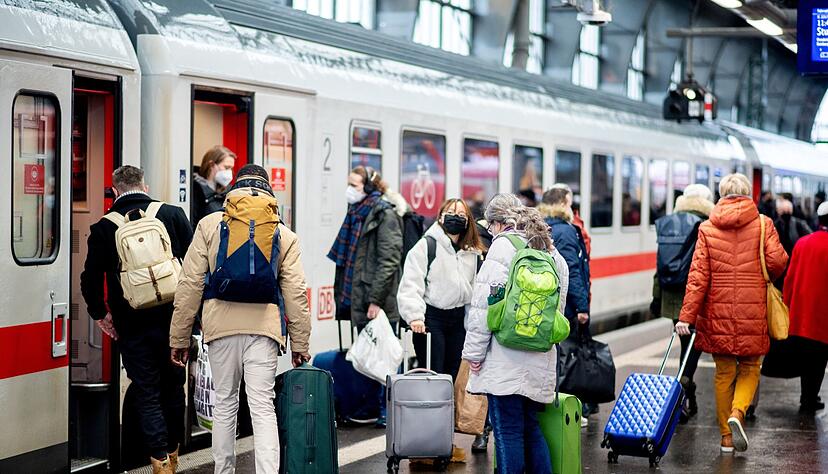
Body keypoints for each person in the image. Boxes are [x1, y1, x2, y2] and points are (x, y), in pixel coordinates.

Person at [170, 165, 311, 474]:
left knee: (225, 404)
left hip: (220, 328)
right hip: (264, 331)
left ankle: (224, 471)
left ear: (234, 190)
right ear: (268, 191)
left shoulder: (209, 225)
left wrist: (179, 339)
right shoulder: (283, 233)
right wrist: (300, 342)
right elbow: (296, 293)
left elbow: (189, 285)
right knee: (262, 407)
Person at [80, 165, 193, 474]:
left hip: (132, 326)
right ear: (145, 185)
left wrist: (101, 316)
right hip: (173, 321)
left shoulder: (105, 226)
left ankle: (159, 463)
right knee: (173, 388)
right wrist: (193, 318)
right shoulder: (171, 214)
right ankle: (173, 453)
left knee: (147, 391)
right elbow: (197, 267)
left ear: (115, 191)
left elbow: (89, 280)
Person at [677, 173, 787, 454]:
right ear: (748, 193)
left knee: (724, 373)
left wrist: (686, 318)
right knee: (751, 367)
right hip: (754, 309)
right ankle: (738, 413)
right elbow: (778, 263)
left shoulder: (707, 228)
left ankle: (726, 438)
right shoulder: (764, 224)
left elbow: (697, 277)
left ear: (721, 194)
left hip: (718, 312)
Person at [463, 193, 569, 473]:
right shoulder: (550, 249)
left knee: (508, 430)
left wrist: (473, 354)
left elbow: (483, 307)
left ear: (498, 223)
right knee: (530, 427)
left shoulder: (502, 247)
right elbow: (558, 307)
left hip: (504, 354)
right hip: (539, 354)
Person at [328, 166, 403, 427]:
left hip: (377, 300)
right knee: (368, 354)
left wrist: (376, 300)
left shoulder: (384, 214)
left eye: (355, 185)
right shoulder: (357, 213)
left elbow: (389, 259)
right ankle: (370, 406)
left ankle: (386, 409)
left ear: (369, 188)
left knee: (383, 356)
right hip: (359, 295)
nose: (350, 190)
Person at [398, 198, 483, 380]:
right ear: (441, 218)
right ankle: (431, 408)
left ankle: (450, 408)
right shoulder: (427, 245)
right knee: (433, 370)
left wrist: (474, 326)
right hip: (431, 319)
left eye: (461, 215)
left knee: (454, 372)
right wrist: (414, 317)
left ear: (468, 221)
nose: (456, 218)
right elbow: (411, 283)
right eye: (451, 213)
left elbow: (475, 292)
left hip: (459, 320)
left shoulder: (473, 252)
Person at [651, 184, 714, 423]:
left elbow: (659, 266)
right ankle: (683, 395)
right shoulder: (707, 225)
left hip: (672, 298)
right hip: (697, 298)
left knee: (688, 345)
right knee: (692, 350)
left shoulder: (669, 223)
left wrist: (656, 298)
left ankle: (687, 394)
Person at [537, 184, 593, 426]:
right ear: (562, 204)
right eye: (570, 203)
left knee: (553, 357)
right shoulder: (568, 231)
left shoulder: (538, 228)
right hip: (567, 307)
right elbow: (572, 271)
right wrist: (582, 307)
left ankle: (551, 404)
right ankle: (568, 408)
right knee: (568, 358)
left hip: (545, 303)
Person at [783, 202, 828, 413]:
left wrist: (787, 305)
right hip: (824, 313)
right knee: (820, 358)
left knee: (809, 356)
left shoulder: (803, 243)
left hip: (803, 312)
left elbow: (790, 278)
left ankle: (807, 397)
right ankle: (810, 398)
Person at [191, 145, 236, 227]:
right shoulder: (194, 191)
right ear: (211, 165)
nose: (229, 172)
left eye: (231, 168)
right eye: (226, 167)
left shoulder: (230, 191)